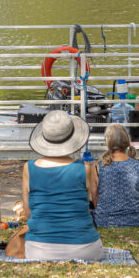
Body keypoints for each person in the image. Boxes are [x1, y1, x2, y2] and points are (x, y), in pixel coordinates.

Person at [22, 110, 103, 261]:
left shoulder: (29, 168)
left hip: (39, 249)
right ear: (72, 137)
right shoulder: (85, 168)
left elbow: (28, 213)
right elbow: (86, 204)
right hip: (84, 248)